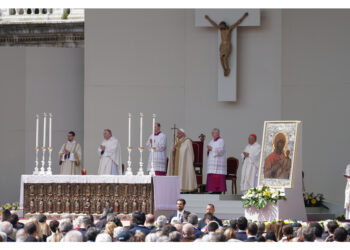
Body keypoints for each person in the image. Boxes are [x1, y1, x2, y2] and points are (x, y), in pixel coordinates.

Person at [167, 128, 197, 192]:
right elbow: (171, 150)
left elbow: (189, 153)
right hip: (176, 163)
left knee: (183, 173)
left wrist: (178, 150)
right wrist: (173, 150)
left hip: (184, 163)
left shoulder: (187, 141)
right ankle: (174, 188)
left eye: (179, 133)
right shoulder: (176, 141)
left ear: (183, 134)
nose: (178, 135)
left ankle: (183, 188)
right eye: (177, 133)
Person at [206, 128, 227, 194]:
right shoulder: (211, 141)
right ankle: (212, 189)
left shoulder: (221, 141)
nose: (212, 134)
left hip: (218, 163)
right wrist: (208, 150)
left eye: (213, 133)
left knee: (217, 177)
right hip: (212, 163)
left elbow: (221, 151)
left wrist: (211, 148)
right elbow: (209, 151)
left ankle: (218, 191)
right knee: (212, 176)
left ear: (217, 133)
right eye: (212, 133)